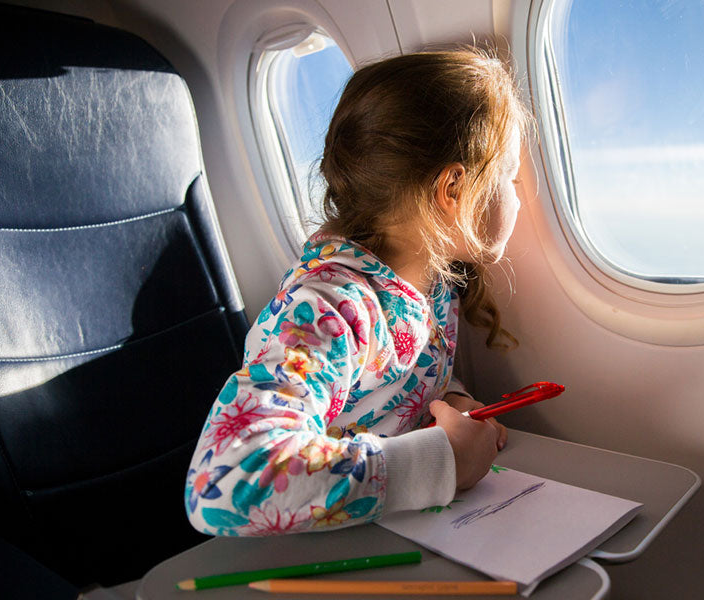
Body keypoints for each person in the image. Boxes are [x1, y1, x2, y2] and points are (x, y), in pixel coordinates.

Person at [185, 48, 530, 536]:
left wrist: (450, 402)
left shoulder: (430, 287)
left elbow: (386, 396)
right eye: (511, 177)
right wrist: (441, 462)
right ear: (453, 189)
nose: (519, 195)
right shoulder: (329, 309)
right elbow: (225, 482)